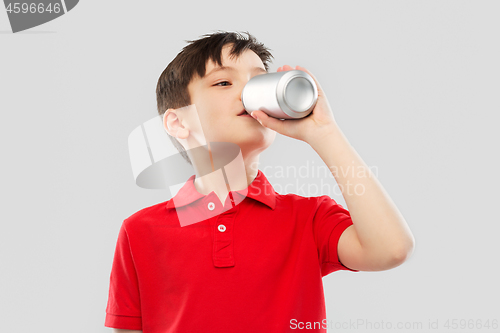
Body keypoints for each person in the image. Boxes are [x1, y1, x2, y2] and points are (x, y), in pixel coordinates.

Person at [105, 31, 415, 333]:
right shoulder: (140, 232)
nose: (246, 93)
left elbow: (391, 249)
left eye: (256, 81)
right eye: (224, 82)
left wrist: (324, 132)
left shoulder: (307, 218)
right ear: (178, 122)